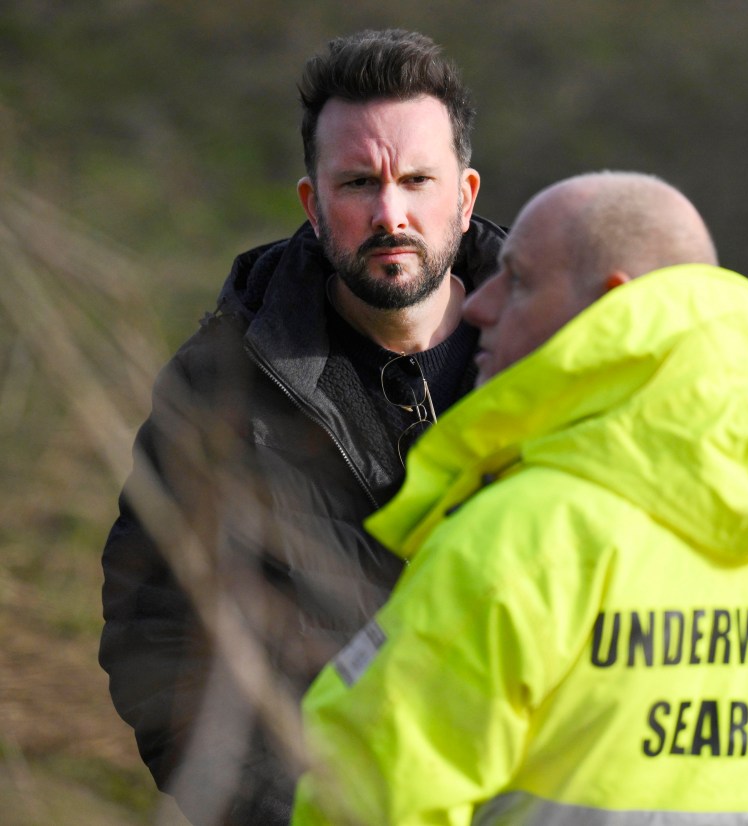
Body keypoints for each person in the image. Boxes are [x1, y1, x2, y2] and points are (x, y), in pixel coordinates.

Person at [291, 171, 748, 824]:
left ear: (614, 307)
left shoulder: (519, 542)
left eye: (520, 280)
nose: (480, 305)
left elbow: (370, 792)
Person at [98, 29, 505, 826]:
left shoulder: (568, 366)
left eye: (417, 180)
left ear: (464, 194)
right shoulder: (221, 382)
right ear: (313, 204)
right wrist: (285, 813)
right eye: (359, 182)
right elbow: (157, 631)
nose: (391, 213)